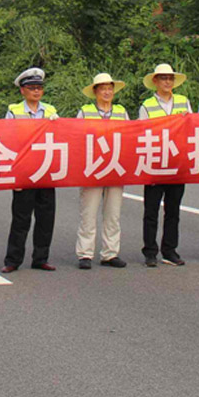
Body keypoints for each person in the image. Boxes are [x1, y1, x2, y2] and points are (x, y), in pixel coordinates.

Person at [1, 68, 58, 273]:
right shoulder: (14, 111)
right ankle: (13, 260)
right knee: (21, 218)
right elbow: (7, 140)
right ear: (22, 91)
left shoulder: (51, 111)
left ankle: (41, 258)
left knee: (46, 217)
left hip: (46, 169)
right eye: (31, 88)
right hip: (24, 170)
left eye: (39, 87)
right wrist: (12, 174)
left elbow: (61, 136)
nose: (36, 91)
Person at [138, 63, 191, 268]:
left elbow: (191, 128)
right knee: (151, 211)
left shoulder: (183, 102)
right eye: (163, 78)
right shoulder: (147, 105)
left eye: (170, 78)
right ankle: (150, 251)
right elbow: (141, 134)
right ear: (155, 81)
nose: (167, 82)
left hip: (177, 164)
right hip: (154, 164)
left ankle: (169, 250)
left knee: (173, 211)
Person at [75, 73, 129, 269]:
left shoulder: (121, 112)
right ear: (95, 91)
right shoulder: (85, 111)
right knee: (88, 213)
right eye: (103, 88)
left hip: (115, 167)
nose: (107, 92)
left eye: (109, 88)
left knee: (113, 214)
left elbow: (130, 136)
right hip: (92, 168)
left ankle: (110, 253)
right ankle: (85, 253)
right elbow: (76, 137)